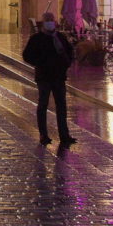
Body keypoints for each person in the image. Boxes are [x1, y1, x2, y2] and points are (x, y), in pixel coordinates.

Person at [22, 12, 77, 146]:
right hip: (44, 76)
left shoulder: (60, 37)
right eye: (47, 20)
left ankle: (64, 135)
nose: (50, 22)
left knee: (61, 106)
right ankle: (43, 134)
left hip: (59, 76)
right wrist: (41, 62)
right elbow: (27, 55)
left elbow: (69, 52)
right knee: (43, 105)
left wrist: (66, 64)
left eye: (51, 20)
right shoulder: (36, 38)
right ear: (43, 22)